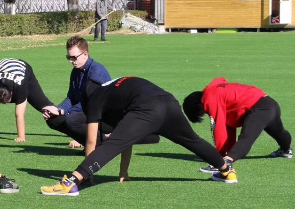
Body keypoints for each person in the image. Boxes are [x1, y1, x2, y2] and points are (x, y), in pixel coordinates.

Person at [40, 76, 238, 197]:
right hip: (169, 102)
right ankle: (226, 170)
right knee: (192, 140)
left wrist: (86, 174)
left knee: (112, 143)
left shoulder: (95, 98)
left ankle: (71, 183)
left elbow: (92, 140)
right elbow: (128, 136)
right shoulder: (115, 86)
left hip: (147, 108)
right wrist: (123, 171)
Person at [182, 78, 293, 173]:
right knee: (279, 133)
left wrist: (218, 158)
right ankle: (286, 150)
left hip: (259, 108)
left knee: (246, 137)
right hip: (269, 103)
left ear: (197, 105)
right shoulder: (216, 92)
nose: (206, 113)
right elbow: (228, 127)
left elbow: (218, 129)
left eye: (201, 112)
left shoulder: (208, 99)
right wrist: (227, 150)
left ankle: (227, 162)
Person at [46, 36, 112, 150]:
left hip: (105, 116)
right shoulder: (76, 71)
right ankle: (90, 143)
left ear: (85, 54)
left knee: (71, 119)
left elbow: (91, 104)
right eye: (68, 57)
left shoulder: (97, 72)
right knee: (53, 120)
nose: (71, 61)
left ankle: (106, 143)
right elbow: (72, 97)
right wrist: (57, 110)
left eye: (74, 57)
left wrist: (64, 112)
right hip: (89, 112)